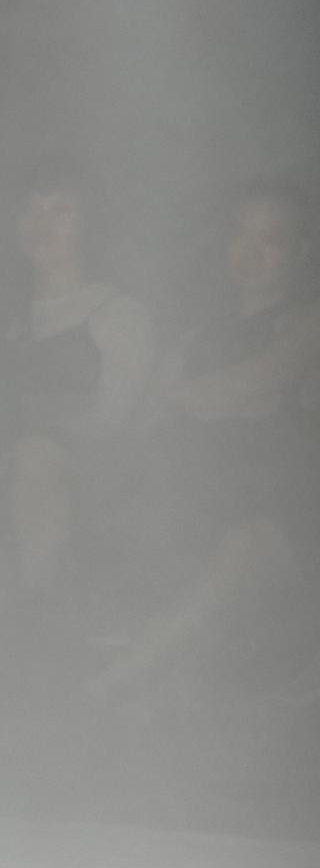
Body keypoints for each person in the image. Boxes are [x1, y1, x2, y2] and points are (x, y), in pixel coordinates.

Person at [102, 180, 320, 709]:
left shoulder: (308, 321)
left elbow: (259, 379)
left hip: (283, 510)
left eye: (269, 239)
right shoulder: (196, 334)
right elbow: (149, 413)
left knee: (241, 542)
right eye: (239, 235)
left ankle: (115, 679)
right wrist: (199, 399)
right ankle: (148, 690)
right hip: (201, 498)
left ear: (300, 251)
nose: (249, 253)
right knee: (148, 514)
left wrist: (199, 397)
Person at [0, 159, 155, 642]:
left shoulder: (118, 312)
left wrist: (28, 437)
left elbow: (111, 418)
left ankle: (37, 623)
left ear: (91, 224)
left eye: (61, 211)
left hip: (91, 491)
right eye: (30, 210)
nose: (41, 225)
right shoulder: (0, 322)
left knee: (36, 457)